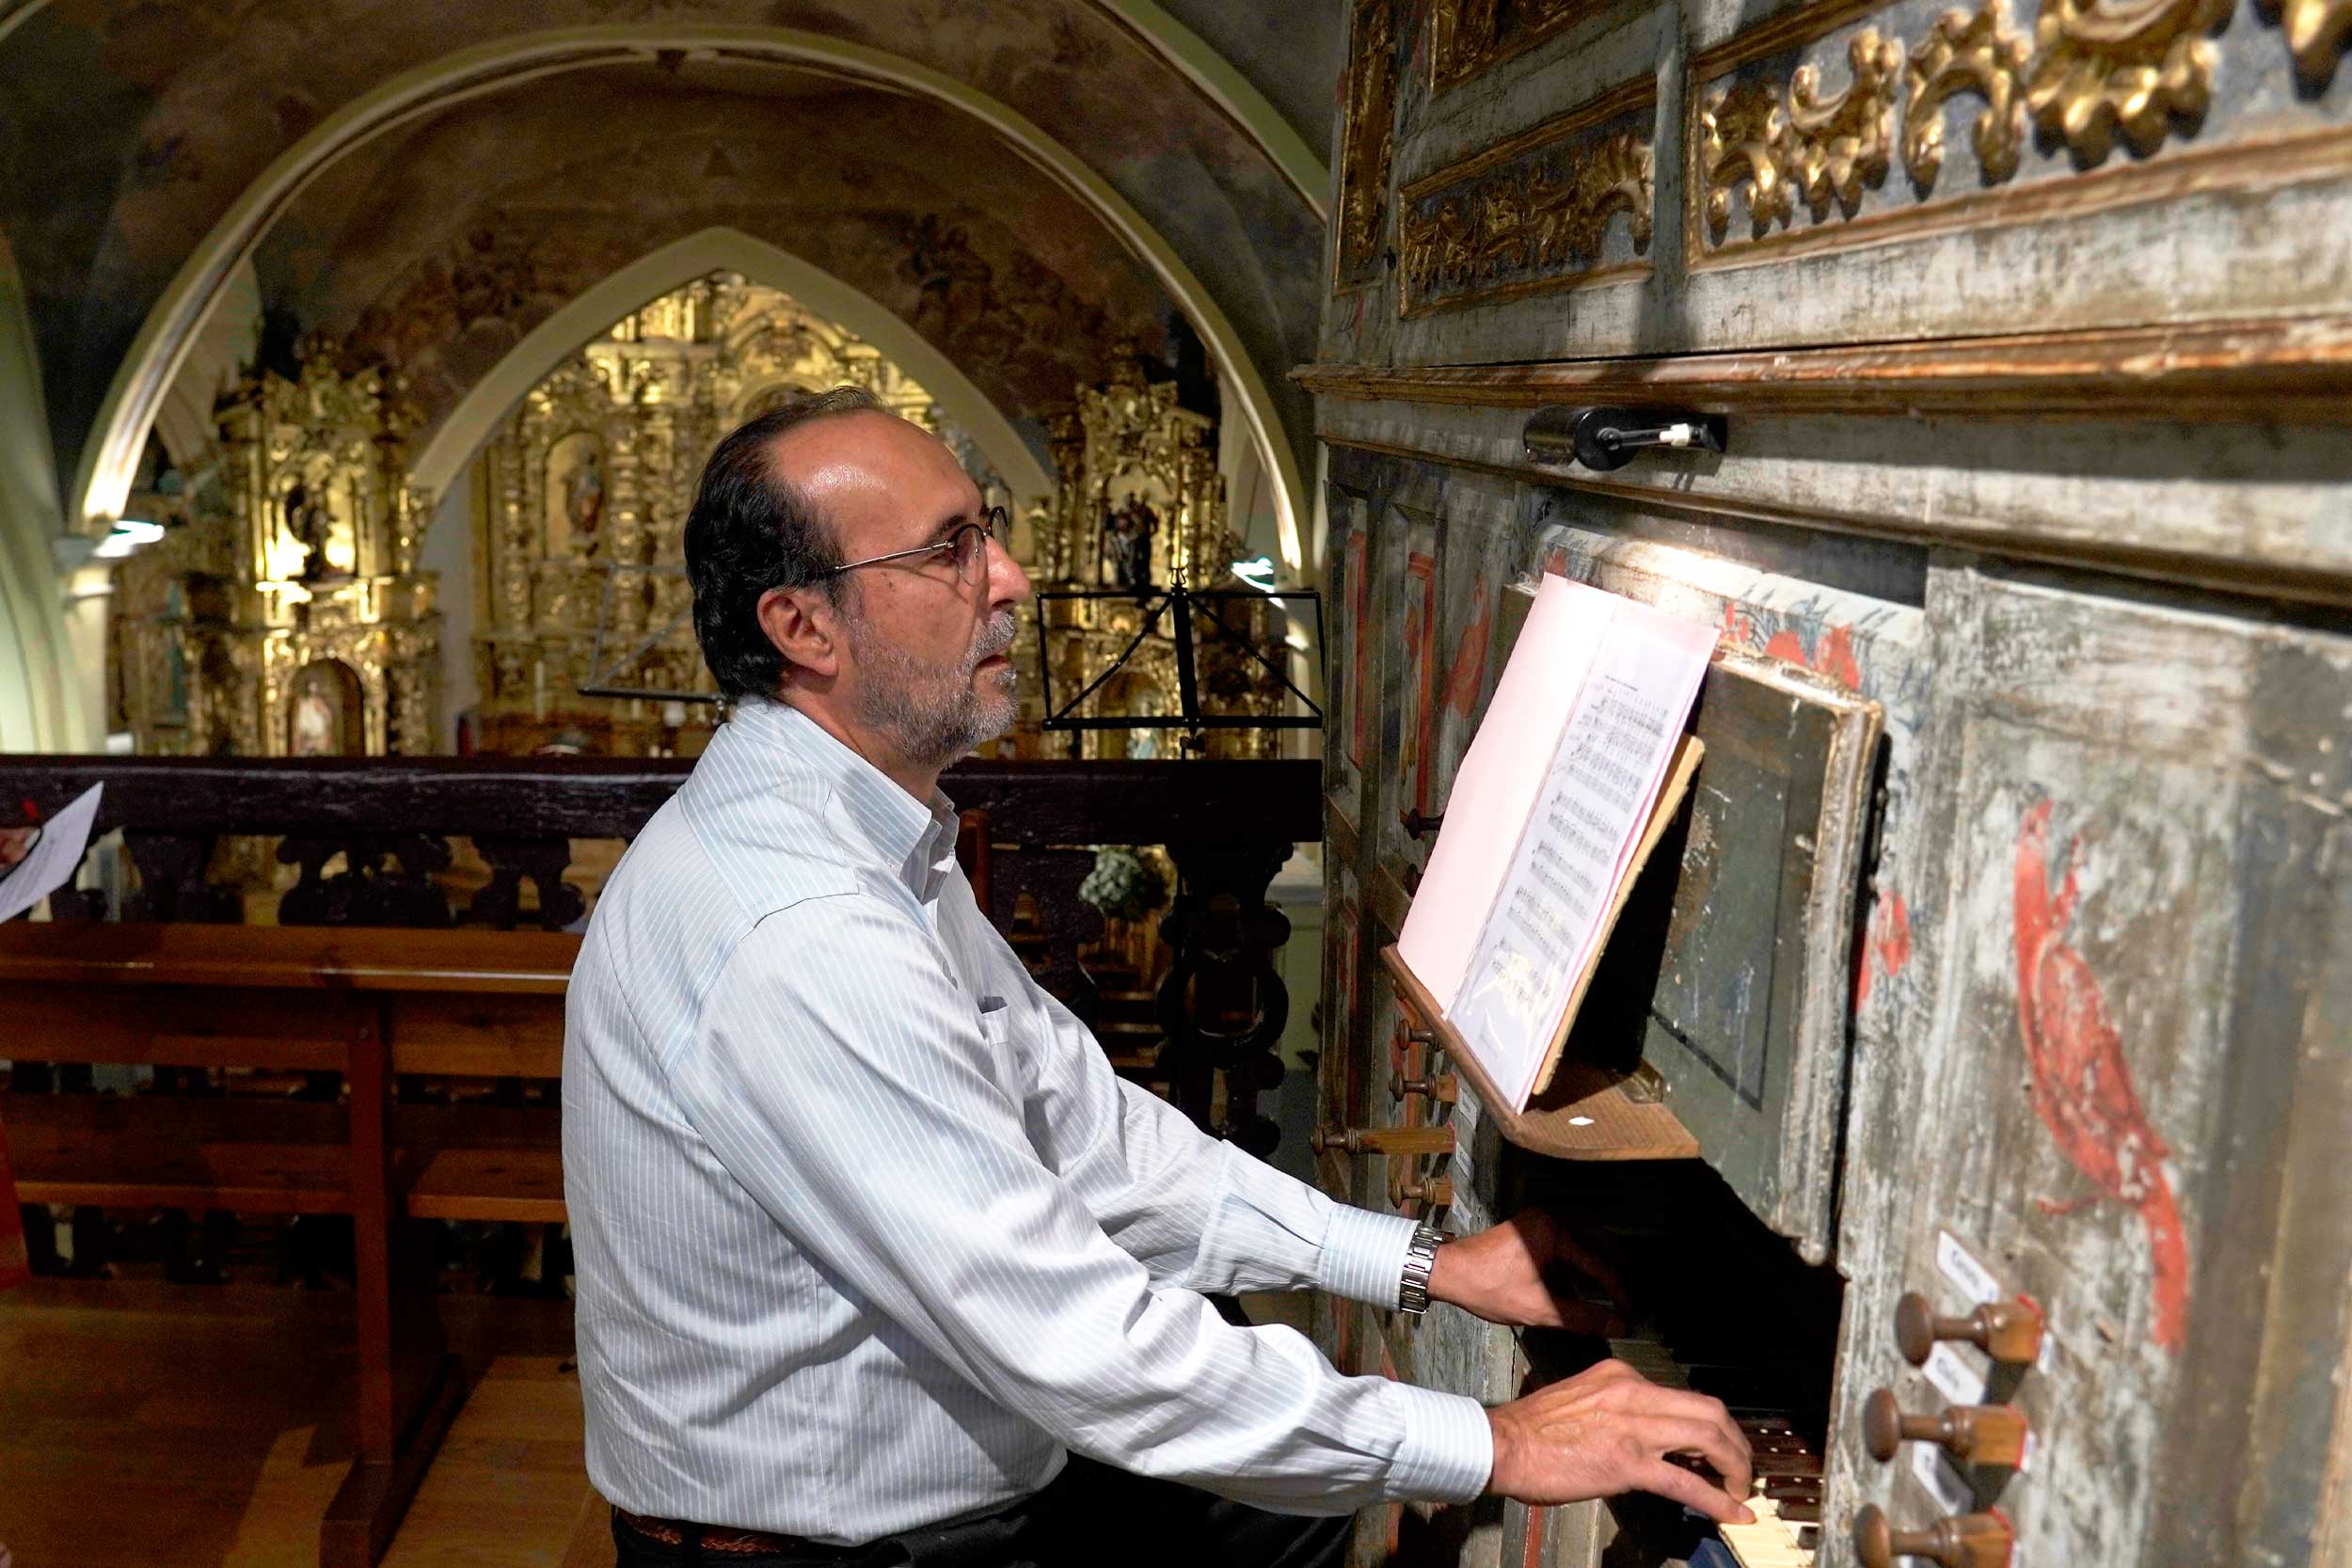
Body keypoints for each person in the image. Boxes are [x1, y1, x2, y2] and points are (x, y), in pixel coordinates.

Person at [564, 388, 1754, 1568]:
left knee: (1297, 1503)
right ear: (802, 629)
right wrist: (1495, 1439)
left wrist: (1419, 1262)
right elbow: (1072, 1337)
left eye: (986, 529)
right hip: (836, 1547)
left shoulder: (865, 838)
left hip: (954, 1475)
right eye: (949, 548)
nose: (1011, 576)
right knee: (1316, 1479)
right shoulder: (803, 928)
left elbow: (1088, 1136)